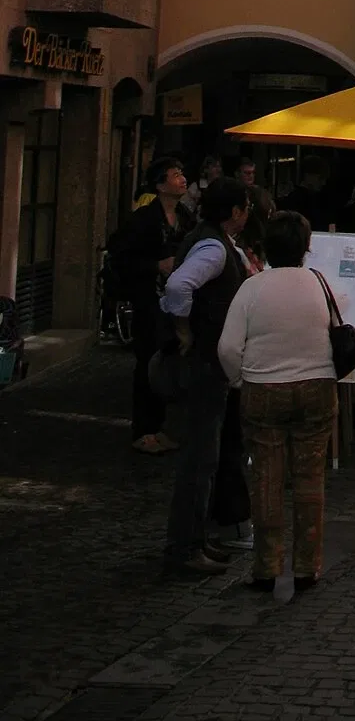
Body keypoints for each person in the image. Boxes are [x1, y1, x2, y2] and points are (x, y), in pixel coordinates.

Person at [216, 210, 337, 594]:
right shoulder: (320, 283)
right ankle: (307, 567)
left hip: (264, 387)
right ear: (306, 248)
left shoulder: (252, 288)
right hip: (316, 385)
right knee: (309, 477)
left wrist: (240, 378)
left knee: (266, 477)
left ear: (266, 247)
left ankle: (266, 567)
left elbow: (228, 347)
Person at [159, 178, 251, 577]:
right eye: (244, 207)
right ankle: (184, 546)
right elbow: (179, 284)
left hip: (209, 362)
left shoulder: (215, 242)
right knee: (198, 459)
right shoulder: (213, 247)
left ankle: (196, 537)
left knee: (207, 457)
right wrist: (183, 329)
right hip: (204, 364)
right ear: (234, 212)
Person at [108, 156, 192, 455]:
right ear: (160, 184)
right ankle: (144, 429)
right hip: (149, 302)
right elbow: (121, 259)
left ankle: (167, 427)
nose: (181, 178)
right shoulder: (144, 219)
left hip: (178, 304)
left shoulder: (186, 217)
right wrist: (156, 265)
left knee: (173, 364)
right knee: (147, 363)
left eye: (182, 173)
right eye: (174, 174)